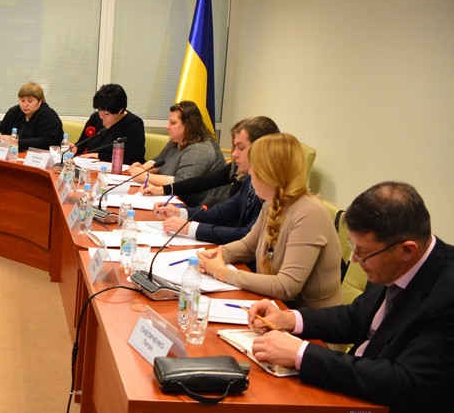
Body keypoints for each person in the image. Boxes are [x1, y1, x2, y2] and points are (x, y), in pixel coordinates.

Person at [247, 182, 454, 413]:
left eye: (363, 252)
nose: (354, 260)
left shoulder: (447, 295)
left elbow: (404, 383)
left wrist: (302, 354)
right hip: (363, 407)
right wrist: (291, 319)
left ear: (407, 250)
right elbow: (357, 317)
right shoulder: (392, 262)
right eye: (353, 247)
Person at [198, 133, 342, 308]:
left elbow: (286, 286)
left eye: (254, 167)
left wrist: (223, 273)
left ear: (269, 173)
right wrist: (220, 254)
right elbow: (248, 246)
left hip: (309, 319)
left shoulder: (310, 214)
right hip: (275, 307)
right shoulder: (271, 203)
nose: (250, 172)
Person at [152, 116, 280, 245]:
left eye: (241, 148)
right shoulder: (249, 179)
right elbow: (224, 212)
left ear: (261, 149)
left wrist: (190, 228)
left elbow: (247, 235)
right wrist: (180, 212)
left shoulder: (271, 190)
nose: (234, 154)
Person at [126, 101, 227, 207]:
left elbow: (181, 183)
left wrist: (145, 176)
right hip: (171, 199)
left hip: (199, 207)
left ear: (189, 125)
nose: (168, 127)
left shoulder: (201, 149)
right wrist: (142, 168)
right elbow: (158, 161)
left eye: (173, 123)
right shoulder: (176, 141)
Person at [71, 83, 145, 165]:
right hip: (92, 166)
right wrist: (75, 148)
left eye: (106, 114)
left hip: (121, 170)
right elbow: (82, 143)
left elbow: (132, 157)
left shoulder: (134, 124)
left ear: (120, 111)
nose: (101, 116)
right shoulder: (96, 117)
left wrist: (98, 155)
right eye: (99, 110)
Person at [0, 82, 63, 152]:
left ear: (40, 101)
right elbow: (1, 129)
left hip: (42, 157)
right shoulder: (14, 111)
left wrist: (16, 141)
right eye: (22, 100)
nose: (25, 104)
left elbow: (45, 142)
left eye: (30, 101)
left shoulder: (49, 116)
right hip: (13, 153)